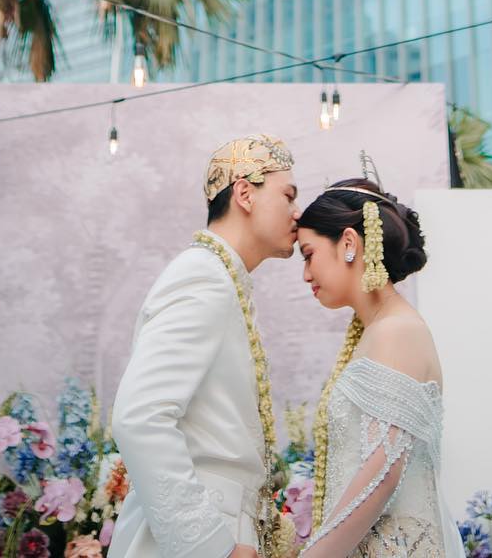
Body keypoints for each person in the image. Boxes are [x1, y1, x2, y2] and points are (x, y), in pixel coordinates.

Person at [111, 135, 301, 558]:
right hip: (203, 532)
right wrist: (211, 547)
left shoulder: (222, 278)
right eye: (288, 195)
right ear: (245, 194)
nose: (297, 212)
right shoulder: (203, 276)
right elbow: (139, 416)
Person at [295, 172, 463, 558]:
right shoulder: (379, 329)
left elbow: (382, 475)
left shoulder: (396, 331)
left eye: (308, 254)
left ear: (348, 244)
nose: (305, 274)